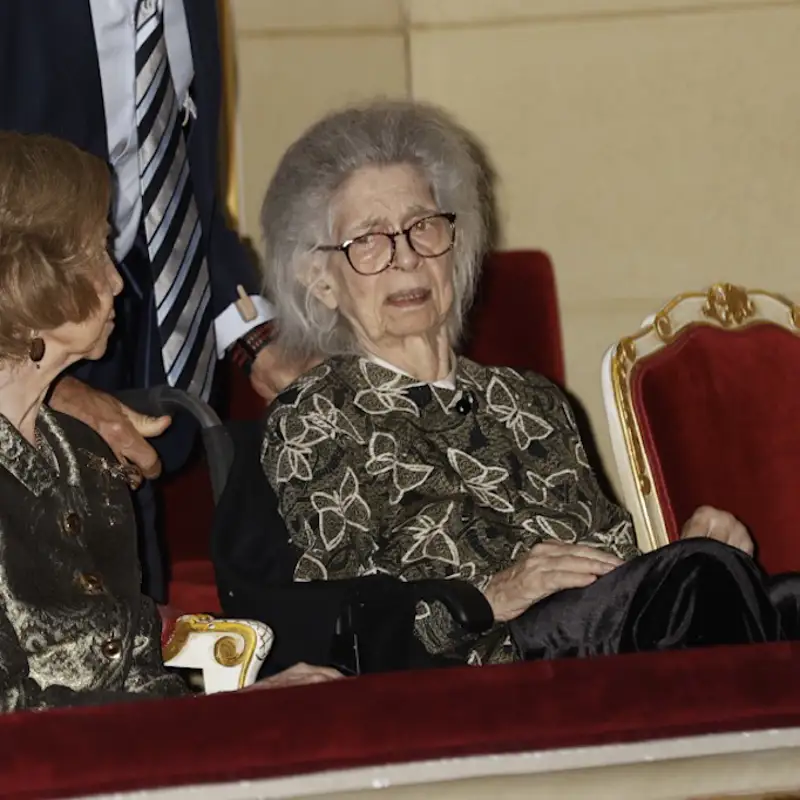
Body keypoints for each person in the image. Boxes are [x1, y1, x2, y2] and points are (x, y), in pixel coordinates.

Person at [258, 99, 800, 666]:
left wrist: (684, 544)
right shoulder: (315, 416)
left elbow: (613, 565)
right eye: (368, 240)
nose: (407, 259)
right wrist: (493, 596)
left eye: (423, 226)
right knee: (703, 580)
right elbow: (340, 616)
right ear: (320, 281)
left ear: (455, 246)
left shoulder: (532, 400)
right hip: (490, 660)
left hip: (597, 637)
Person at [0, 131, 340, 711]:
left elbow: (139, 675)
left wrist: (234, 709)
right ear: (25, 281)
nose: (117, 283)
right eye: (96, 252)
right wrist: (219, 717)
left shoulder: (86, 452)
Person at [0, 0, 312, 601]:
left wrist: (256, 334)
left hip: (135, 323)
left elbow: (182, 179)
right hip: (23, 356)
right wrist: (40, 381)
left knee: (136, 604)